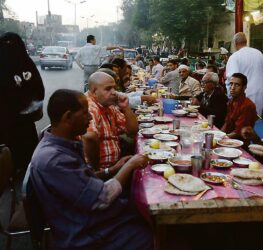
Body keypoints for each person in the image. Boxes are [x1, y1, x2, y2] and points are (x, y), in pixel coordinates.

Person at [28, 89, 153, 250]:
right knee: (157, 232)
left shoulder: (62, 143)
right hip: (87, 234)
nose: (90, 117)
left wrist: (113, 169)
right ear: (67, 117)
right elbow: (102, 198)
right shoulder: (54, 160)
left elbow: (83, 181)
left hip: (91, 218)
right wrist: (129, 166)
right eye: (85, 113)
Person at [0, 32, 45, 174]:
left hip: (5, 120)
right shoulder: (27, 63)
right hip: (25, 119)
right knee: (26, 150)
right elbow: (39, 89)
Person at [83, 72, 138, 170]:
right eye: (108, 89)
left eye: (114, 88)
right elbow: (89, 137)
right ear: (94, 91)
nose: (114, 92)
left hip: (113, 166)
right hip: (103, 172)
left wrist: (125, 107)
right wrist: (97, 173)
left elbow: (132, 131)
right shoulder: (90, 107)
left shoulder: (108, 105)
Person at [225, 32, 263, 115]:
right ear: (246, 41)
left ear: (235, 43)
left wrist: (230, 97)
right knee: (255, 123)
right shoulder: (259, 54)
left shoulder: (235, 56)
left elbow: (232, 79)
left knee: (241, 124)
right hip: (259, 96)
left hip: (242, 99)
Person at [221, 73, 257, 139]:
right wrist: (219, 135)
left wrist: (221, 138)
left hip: (240, 144)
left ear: (244, 87)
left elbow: (238, 132)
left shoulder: (248, 105)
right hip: (228, 138)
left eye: (237, 85)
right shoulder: (231, 101)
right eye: (231, 84)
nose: (232, 88)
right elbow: (226, 123)